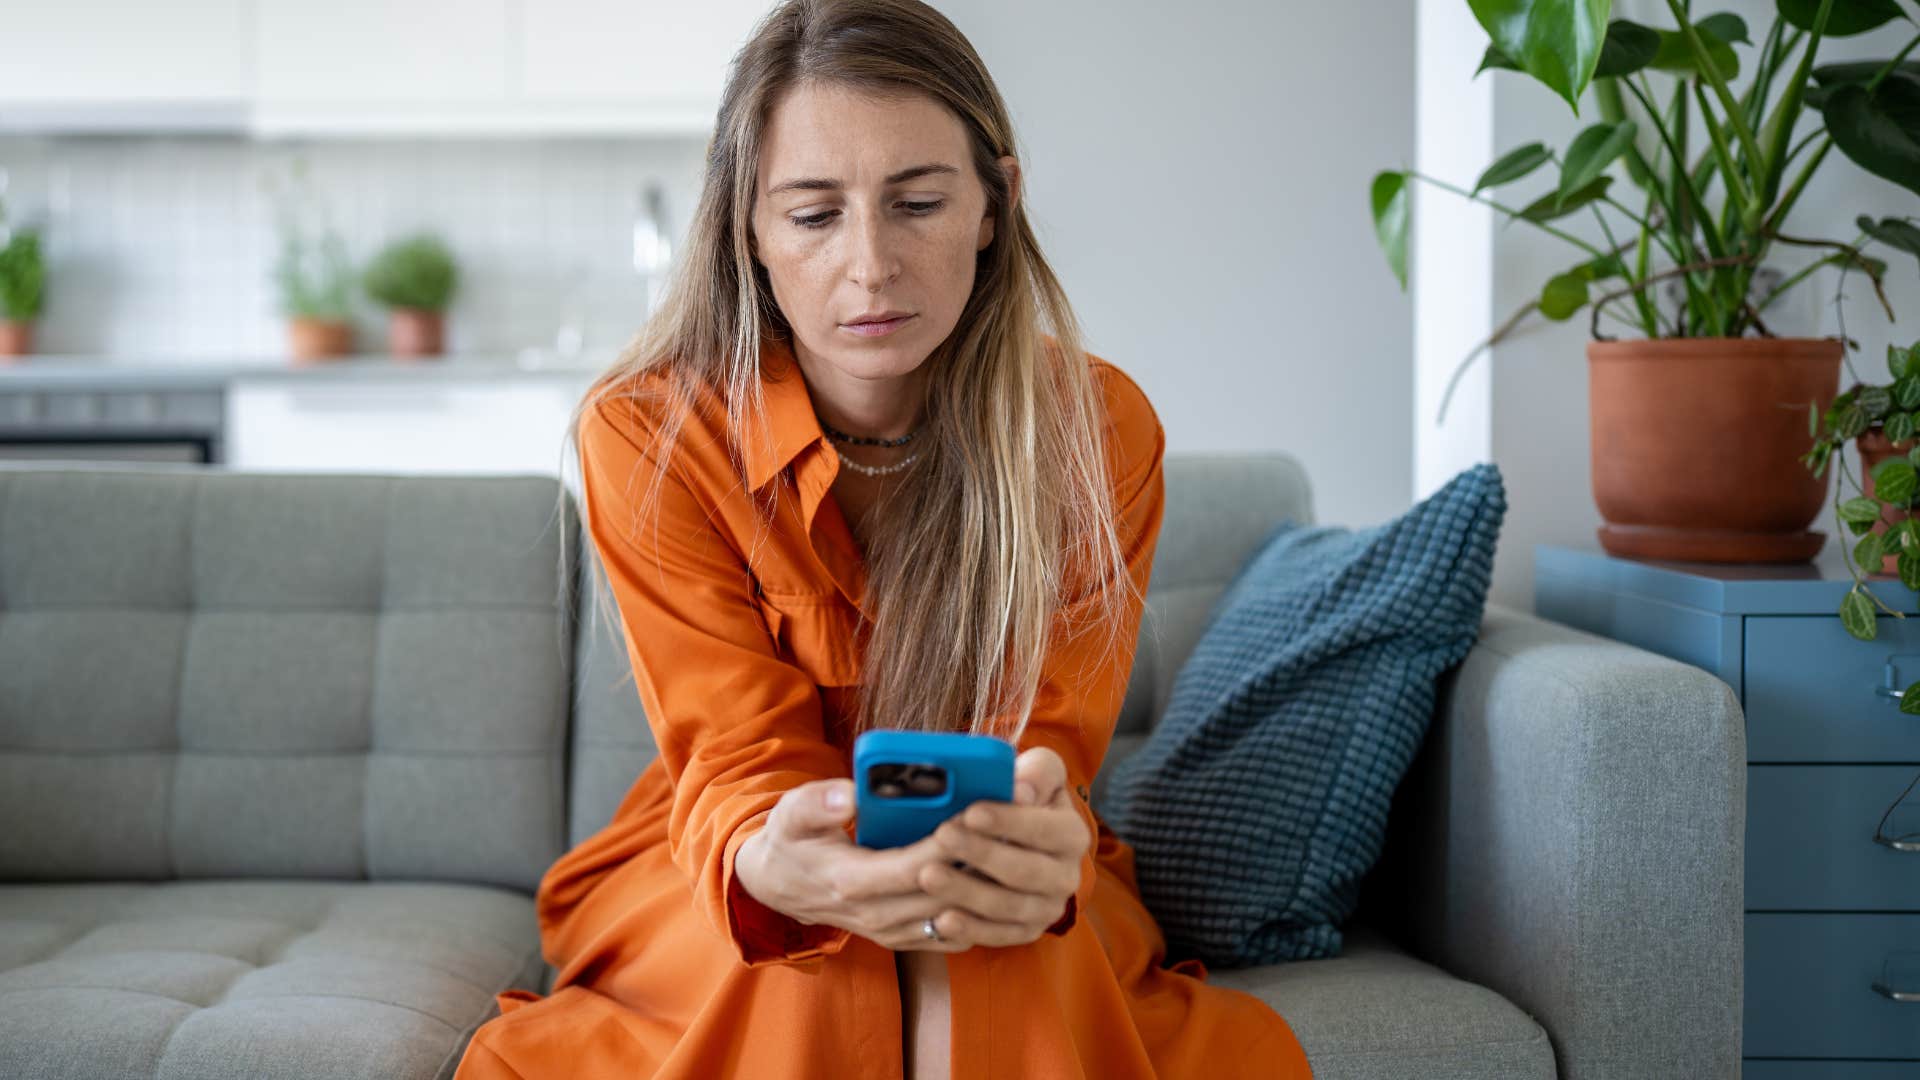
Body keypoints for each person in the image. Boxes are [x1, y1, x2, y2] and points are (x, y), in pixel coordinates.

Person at [453, 1, 1313, 1076]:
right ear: (749, 232)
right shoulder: (648, 434)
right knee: (818, 960)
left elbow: (1045, 749)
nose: (871, 265)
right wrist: (782, 863)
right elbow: (734, 752)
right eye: (813, 216)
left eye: (917, 202)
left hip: (994, 839)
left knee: (995, 949)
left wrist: (1020, 853)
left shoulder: (1098, 432)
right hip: (730, 850)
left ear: (996, 205)